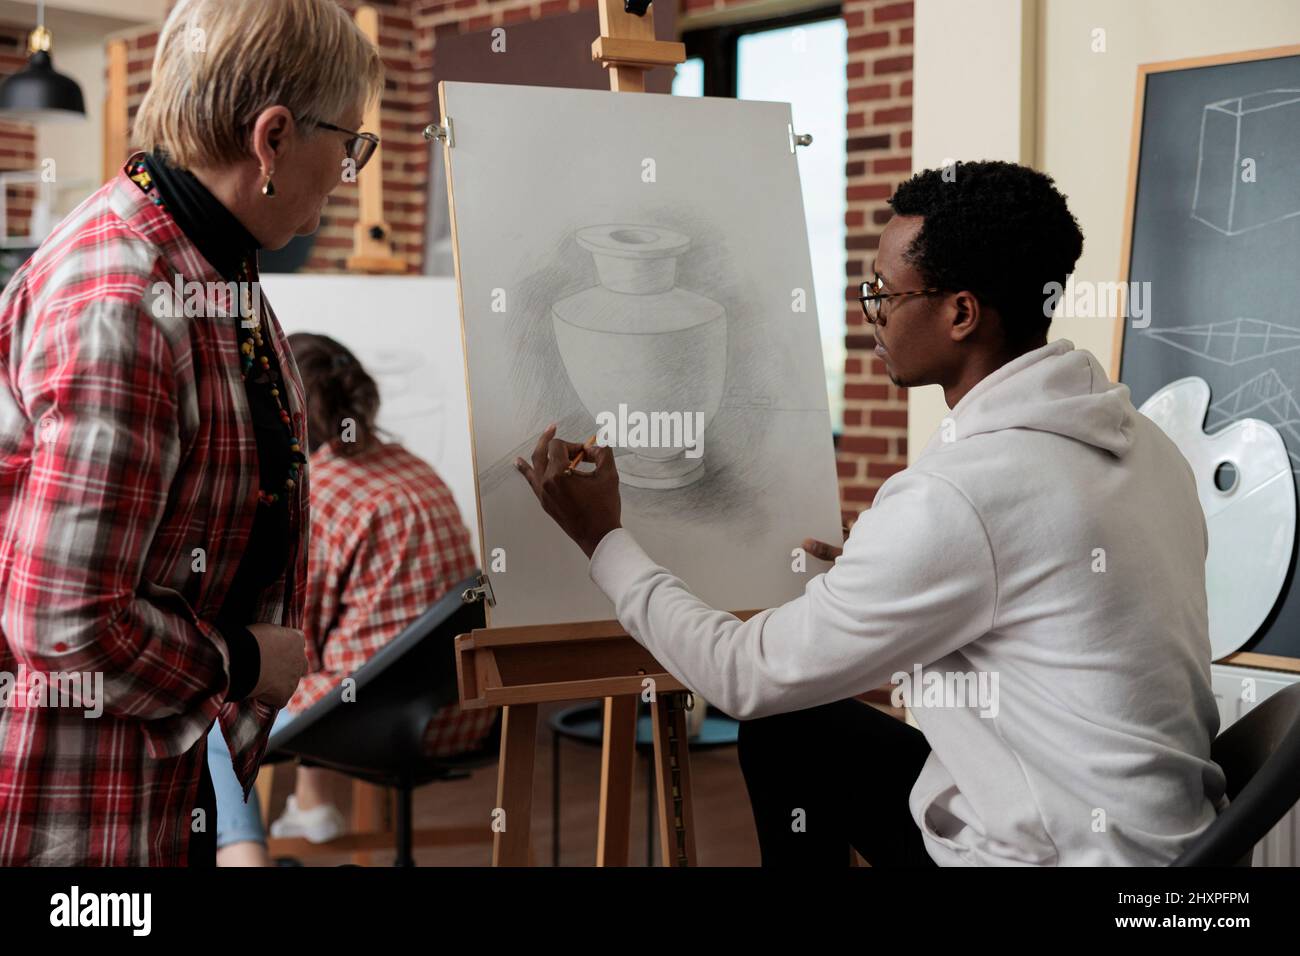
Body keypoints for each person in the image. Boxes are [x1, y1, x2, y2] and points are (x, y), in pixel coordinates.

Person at [515, 160, 1228, 866]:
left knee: (775, 714)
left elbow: (744, 677)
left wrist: (602, 537)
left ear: (960, 313)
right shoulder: (1146, 444)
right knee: (798, 734)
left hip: (1062, 861)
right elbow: (1045, 608)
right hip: (1171, 848)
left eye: (885, 293)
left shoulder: (963, 493)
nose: (874, 314)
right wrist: (898, 569)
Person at [0, 0, 382, 865]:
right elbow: (64, 624)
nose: (349, 170)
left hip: (149, 778)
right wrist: (243, 662)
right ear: (274, 138)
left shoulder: (200, 254)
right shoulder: (127, 303)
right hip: (80, 805)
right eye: (350, 144)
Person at [209, 334, 495, 866]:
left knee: (221, 697)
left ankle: (243, 856)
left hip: (372, 717)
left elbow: (292, 641)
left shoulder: (320, 493)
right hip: (465, 709)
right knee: (351, 646)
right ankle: (314, 809)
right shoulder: (411, 466)